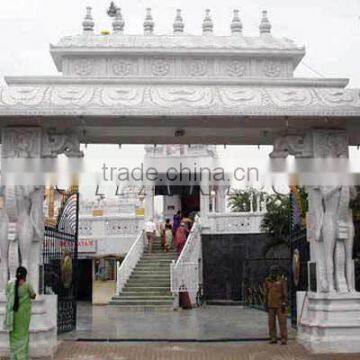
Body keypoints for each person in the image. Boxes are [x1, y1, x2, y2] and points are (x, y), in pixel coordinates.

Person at [4, 266, 36, 359]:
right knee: (23, 334)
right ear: (25, 275)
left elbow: (7, 293)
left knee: (14, 335)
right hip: (24, 315)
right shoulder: (27, 285)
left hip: (13, 315)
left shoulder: (11, 284)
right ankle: (22, 357)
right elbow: (33, 295)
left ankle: (14, 356)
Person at [263, 265, 288, 345]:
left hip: (280, 304)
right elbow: (265, 293)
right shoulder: (267, 281)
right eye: (272, 271)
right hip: (271, 305)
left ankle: (283, 338)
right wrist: (265, 303)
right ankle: (273, 338)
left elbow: (285, 293)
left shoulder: (281, 280)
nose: (273, 273)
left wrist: (284, 302)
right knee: (271, 323)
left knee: (282, 322)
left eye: (274, 271)